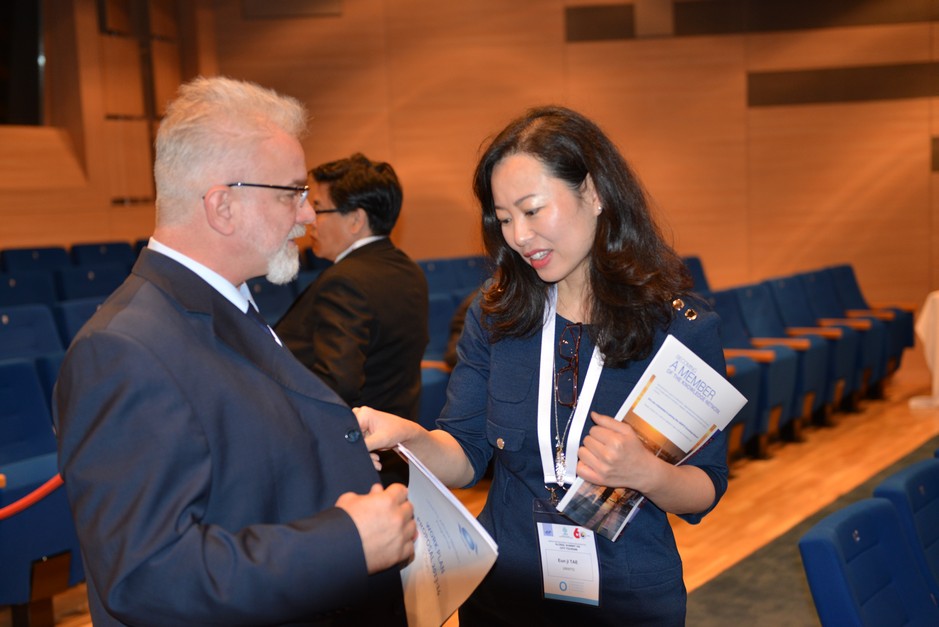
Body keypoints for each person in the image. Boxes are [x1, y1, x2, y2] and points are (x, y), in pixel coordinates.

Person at [53, 76, 415, 626]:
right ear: (223, 206)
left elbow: (237, 456)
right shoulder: (120, 350)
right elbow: (147, 574)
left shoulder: (224, 303)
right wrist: (347, 542)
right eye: (291, 193)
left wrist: (327, 456)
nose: (308, 215)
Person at [356, 105, 728, 626]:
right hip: (506, 591)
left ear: (593, 193)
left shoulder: (679, 328)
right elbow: (465, 455)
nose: (519, 236)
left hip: (625, 597)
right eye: (505, 219)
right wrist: (409, 439)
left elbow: (704, 487)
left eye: (532, 210)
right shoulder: (496, 314)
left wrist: (646, 472)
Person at [275, 153, 428, 485]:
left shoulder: (345, 280)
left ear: (356, 219)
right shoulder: (407, 269)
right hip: (395, 456)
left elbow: (337, 384)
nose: (309, 219)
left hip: (350, 465)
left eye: (318, 207)